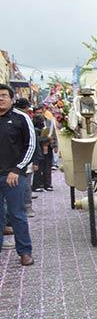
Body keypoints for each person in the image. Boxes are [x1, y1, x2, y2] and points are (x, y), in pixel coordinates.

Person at [0, 83, 35, 266]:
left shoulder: (21, 118)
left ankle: (25, 252)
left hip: (13, 175)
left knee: (17, 214)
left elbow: (30, 145)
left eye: (4, 95)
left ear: (11, 98)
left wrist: (17, 169)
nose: (1, 99)